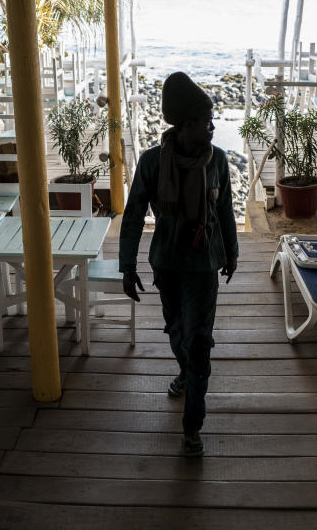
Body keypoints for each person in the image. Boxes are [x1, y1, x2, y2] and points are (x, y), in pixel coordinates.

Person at [118, 71, 238, 458]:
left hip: (204, 266)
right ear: (186, 125)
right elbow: (134, 214)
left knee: (199, 341)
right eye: (206, 121)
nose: (212, 127)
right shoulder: (153, 163)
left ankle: (192, 425)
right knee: (175, 328)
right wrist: (127, 265)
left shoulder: (217, 161)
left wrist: (232, 252)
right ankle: (186, 371)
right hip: (168, 262)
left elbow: (224, 211)